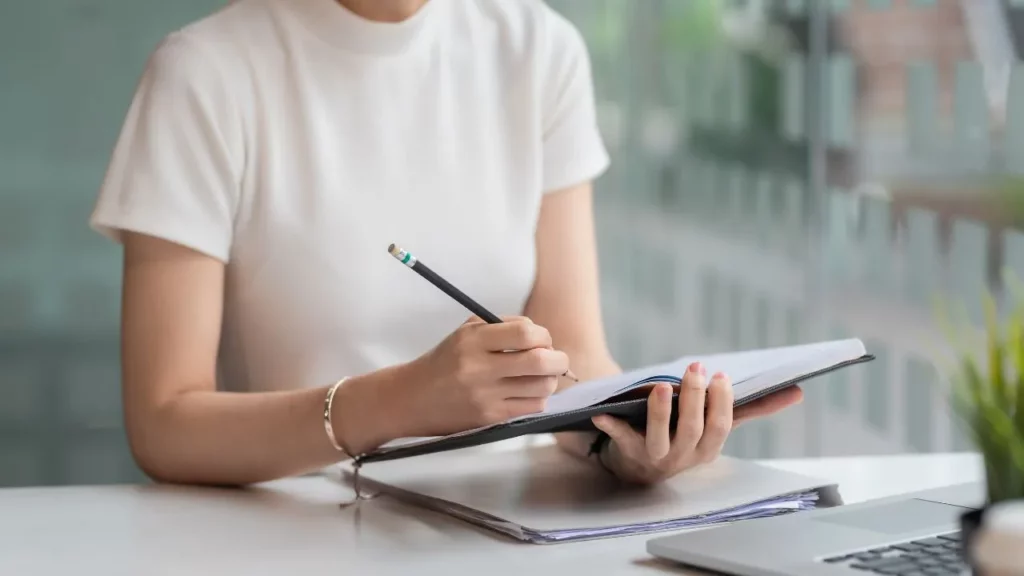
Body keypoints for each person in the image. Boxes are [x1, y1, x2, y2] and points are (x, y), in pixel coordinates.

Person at [89, 0, 802, 488]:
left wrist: (625, 444)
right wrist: (403, 399)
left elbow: (571, 358)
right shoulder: (204, 74)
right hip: (296, 528)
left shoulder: (540, 50)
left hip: (509, 523)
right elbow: (164, 423)